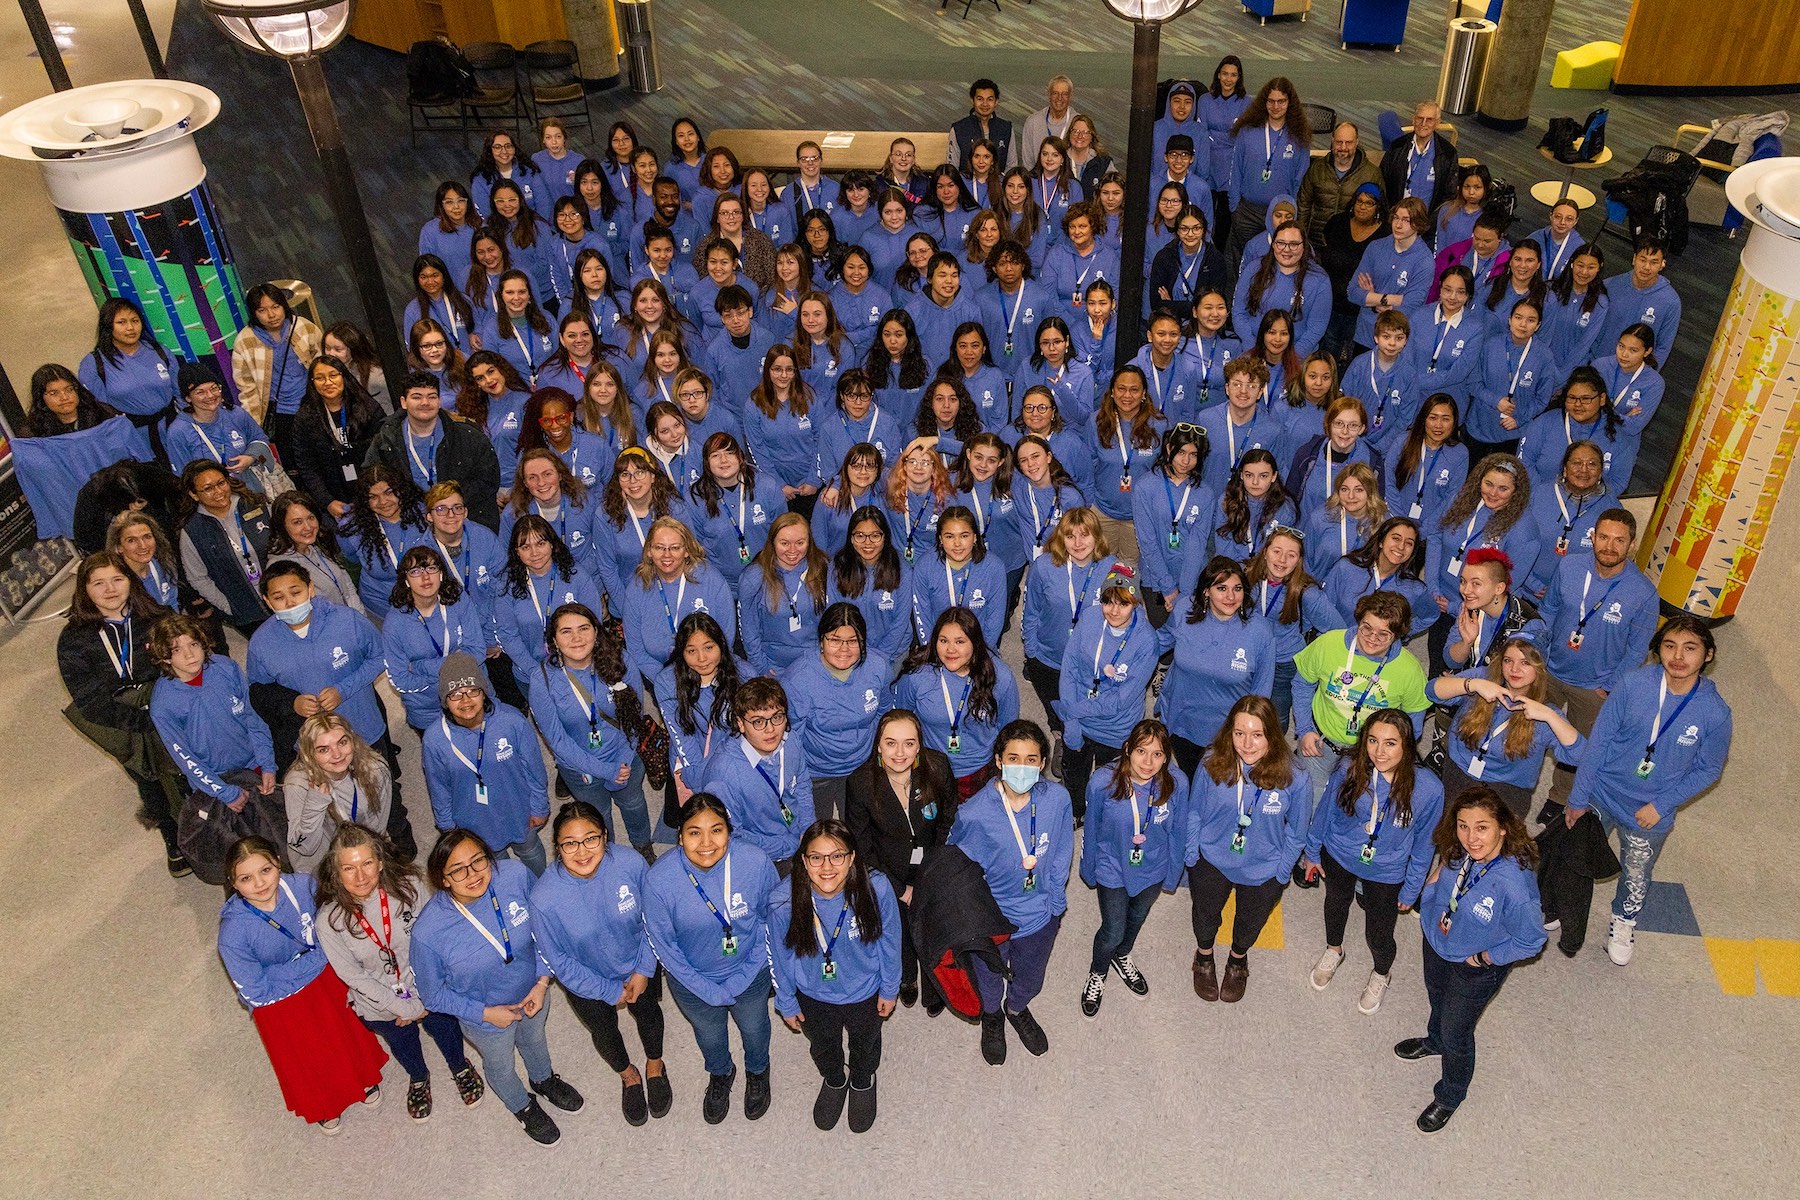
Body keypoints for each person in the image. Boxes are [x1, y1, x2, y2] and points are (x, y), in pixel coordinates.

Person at [1565, 614, 1732, 966]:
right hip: (1601, 793)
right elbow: (1599, 742)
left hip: (1649, 813)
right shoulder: (1633, 685)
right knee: (1574, 857)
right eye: (1669, 646)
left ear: (1708, 654)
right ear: (1658, 650)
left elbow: (1709, 769)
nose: (1678, 656)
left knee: (1636, 874)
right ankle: (1560, 904)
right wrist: (1578, 797)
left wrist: (1662, 804)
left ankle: (1624, 920)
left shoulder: (1715, 713)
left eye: (1690, 648)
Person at [411, 827, 584, 1144]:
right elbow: (432, 995)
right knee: (501, 1065)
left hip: (533, 991)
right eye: (458, 870)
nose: (473, 874)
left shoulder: (515, 876)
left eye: (478, 861)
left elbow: (545, 931)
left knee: (535, 1040)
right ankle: (521, 1105)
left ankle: (543, 1079)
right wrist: (486, 1014)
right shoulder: (428, 932)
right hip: (485, 1017)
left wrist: (542, 982)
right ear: (443, 879)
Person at [217, 835, 388, 1134]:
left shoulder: (304, 886)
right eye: (246, 878)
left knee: (343, 1030)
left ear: (278, 863)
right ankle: (324, 1104)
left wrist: (284, 970)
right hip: (279, 1001)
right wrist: (314, 962)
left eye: (265, 870)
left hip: (318, 978)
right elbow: (257, 992)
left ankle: (362, 1076)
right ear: (233, 883)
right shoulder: (232, 934)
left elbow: (332, 933)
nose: (259, 883)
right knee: (307, 1054)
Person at [315, 823, 485, 1123]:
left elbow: (435, 942)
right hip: (379, 1001)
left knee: (444, 1027)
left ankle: (459, 1066)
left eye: (367, 863)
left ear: (380, 862)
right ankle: (418, 1077)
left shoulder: (410, 886)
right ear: (336, 873)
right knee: (401, 1041)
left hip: (428, 985)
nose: (361, 876)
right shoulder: (329, 921)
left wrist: (423, 999)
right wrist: (401, 1007)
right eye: (349, 868)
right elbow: (353, 976)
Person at [1399, 787, 1547, 1133]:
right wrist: (1430, 893)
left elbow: (1531, 941)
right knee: (1437, 997)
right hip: (1438, 941)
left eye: (1482, 827)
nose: (1470, 837)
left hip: (1474, 966)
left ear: (1503, 828)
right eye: (1463, 825)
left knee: (1458, 1032)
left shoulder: (1515, 885)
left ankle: (1450, 1094)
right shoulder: (1458, 847)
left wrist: (1484, 958)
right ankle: (1434, 1040)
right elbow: (1445, 868)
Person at [529, 800, 673, 1126]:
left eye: (591, 839)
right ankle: (628, 1074)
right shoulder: (543, 898)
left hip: (638, 963)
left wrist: (643, 969)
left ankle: (654, 1065)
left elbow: (654, 919)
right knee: (604, 1030)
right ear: (557, 847)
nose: (582, 852)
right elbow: (557, 959)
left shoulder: (631, 864)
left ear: (605, 836)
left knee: (649, 1013)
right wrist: (607, 990)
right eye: (570, 843)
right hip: (586, 981)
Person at [643, 793, 782, 1123]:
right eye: (694, 832)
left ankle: (757, 1071)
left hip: (750, 971)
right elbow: (664, 947)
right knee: (709, 1035)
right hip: (692, 981)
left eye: (716, 830)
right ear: (680, 837)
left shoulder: (755, 863)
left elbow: (772, 920)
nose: (706, 843)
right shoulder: (659, 880)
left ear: (729, 832)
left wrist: (742, 977)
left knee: (755, 1027)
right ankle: (721, 1072)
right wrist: (705, 989)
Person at [1301, 707, 1444, 1015]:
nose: (1379, 752)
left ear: (1407, 745)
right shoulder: (1349, 768)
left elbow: (1424, 846)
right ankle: (1334, 950)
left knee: (1379, 933)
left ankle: (1381, 973)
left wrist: (1412, 888)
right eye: (1373, 741)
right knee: (1335, 904)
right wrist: (1312, 851)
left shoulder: (1429, 789)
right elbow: (1325, 811)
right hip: (1339, 853)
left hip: (1387, 869)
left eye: (1390, 743)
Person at [947, 720, 1073, 1062]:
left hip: (1040, 915)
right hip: (991, 919)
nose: (1022, 767)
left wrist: (1055, 902)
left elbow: (1062, 849)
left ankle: (1016, 1009)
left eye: (1031, 759)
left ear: (1043, 763)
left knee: (1031, 978)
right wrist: (971, 915)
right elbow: (955, 863)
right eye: (1013, 758)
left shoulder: (1057, 800)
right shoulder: (974, 813)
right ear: (999, 761)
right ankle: (993, 1016)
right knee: (988, 977)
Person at [246, 563, 403, 831]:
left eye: (295, 592)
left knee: (384, 792)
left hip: (363, 728)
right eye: (279, 597)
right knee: (333, 805)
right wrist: (292, 704)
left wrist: (344, 689)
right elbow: (260, 690)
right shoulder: (261, 643)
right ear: (267, 601)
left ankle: (400, 837)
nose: (289, 603)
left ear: (311, 589)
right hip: (313, 744)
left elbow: (380, 656)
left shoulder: (348, 620)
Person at [58, 552, 185, 874]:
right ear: (84, 589)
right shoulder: (73, 640)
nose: (110, 589)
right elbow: (89, 699)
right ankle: (170, 832)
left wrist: (165, 712)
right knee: (148, 776)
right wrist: (141, 722)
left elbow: (185, 667)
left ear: (131, 580)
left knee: (187, 771)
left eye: (117, 579)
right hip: (121, 722)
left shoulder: (160, 619)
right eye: (98, 583)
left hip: (169, 710)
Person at [771, 819, 901, 1132]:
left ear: (852, 857)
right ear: (804, 861)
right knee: (823, 1044)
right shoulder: (783, 900)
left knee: (865, 1042)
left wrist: (890, 987)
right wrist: (786, 1000)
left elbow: (890, 939)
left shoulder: (876, 887)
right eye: (816, 857)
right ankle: (834, 1078)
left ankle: (862, 1079)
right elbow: (780, 955)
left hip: (865, 990)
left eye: (837, 856)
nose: (827, 867)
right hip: (812, 994)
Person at [1535, 507, 1658, 819]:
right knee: (1529, 729)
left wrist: (1609, 686)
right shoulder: (1570, 566)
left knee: (1579, 748)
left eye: (1619, 540)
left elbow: (1637, 650)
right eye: (1603, 537)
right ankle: (1517, 779)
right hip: (1550, 669)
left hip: (1594, 687)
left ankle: (1558, 799)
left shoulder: (1643, 593)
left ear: (1632, 545)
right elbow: (1548, 610)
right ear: (1593, 537)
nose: (1609, 546)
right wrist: (1536, 651)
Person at [1187, 696, 1311, 1002]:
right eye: (1239, 733)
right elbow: (1194, 812)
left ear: (1273, 735)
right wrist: (1192, 855)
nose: (1247, 744)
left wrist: (1282, 872)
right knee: (1205, 915)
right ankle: (1204, 956)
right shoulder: (1211, 761)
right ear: (1229, 732)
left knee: (1249, 922)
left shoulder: (1296, 776)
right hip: (1212, 858)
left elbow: (1297, 832)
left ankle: (1237, 960)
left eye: (1257, 734)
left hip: (1264, 867)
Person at [843, 709, 957, 1013]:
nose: (900, 753)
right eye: (891, 743)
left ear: (919, 745)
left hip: (931, 864)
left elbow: (949, 818)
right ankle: (907, 978)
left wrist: (935, 869)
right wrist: (900, 889)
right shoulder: (861, 783)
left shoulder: (937, 767)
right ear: (878, 746)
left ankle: (934, 984)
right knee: (900, 929)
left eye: (909, 743)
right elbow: (860, 847)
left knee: (933, 926)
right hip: (887, 870)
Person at [1077, 719, 1188, 1017]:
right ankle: (1098, 971)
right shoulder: (1103, 781)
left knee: (1137, 917)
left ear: (1166, 757)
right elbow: (1091, 829)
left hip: (1154, 868)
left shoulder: (1176, 783)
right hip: (1112, 867)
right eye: (1141, 751)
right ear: (1127, 749)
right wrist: (1089, 869)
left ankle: (1122, 956)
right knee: (1113, 931)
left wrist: (1173, 875)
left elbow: (1178, 833)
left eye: (1157, 754)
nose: (1148, 762)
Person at [530, 603, 654, 859]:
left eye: (584, 628)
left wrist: (622, 762)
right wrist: (606, 771)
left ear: (596, 632)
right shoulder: (542, 680)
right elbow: (557, 740)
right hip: (580, 768)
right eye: (566, 631)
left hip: (625, 756)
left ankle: (643, 847)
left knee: (634, 804)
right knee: (598, 816)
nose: (576, 638)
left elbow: (635, 715)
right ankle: (608, 857)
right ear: (554, 639)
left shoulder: (620, 660)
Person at [1292, 591, 1431, 817]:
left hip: (1370, 755)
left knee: (1353, 813)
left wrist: (1388, 756)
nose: (1372, 638)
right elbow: (1302, 684)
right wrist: (1304, 729)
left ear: (1397, 635)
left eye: (1384, 634)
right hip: (1319, 743)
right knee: (1309, 808)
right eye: (1366, 628)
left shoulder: (1410, 670)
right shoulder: (1328, 643)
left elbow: (1413, 722)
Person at [422, 653, 550, 874]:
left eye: (473, 690)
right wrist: (447, 826)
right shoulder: (434, 739)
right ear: (445, 701)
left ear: (484, 692)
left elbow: (534, 769)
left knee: (530, 850)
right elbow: (438, 787)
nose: (465, 700)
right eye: (455, 694)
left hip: (518, 809)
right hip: (473, 821)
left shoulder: (512, 721)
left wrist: (539, 806)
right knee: (494, 863)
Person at [1427, 636, 1583, 817]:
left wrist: (1550, 716)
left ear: (1539, 669)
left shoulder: (1544, 713)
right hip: (1458, 772)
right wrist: (1472, 685)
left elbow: (1579, 757)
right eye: (1508, 660)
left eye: (1525, 663)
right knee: (1446, 827)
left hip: (1505, 789)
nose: (1514, 669)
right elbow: (1432, 691)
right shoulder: (1483, 678)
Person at [1156, 555, 1276, 775]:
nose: (1230, 596)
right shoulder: (1184, 610)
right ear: (1206, 591)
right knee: (1188, 779)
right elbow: (1154, 644)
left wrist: (1249, 735)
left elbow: (1261, 693)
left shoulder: (1260, 631)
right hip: (1181, 723)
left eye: (1237, 588)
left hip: (1228, 733)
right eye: (1221, 588)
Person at [1058, 566, 1159, 824]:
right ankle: (1077, 812)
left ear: (1135, 603)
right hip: (1078, 718)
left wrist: (1071, 711)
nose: (1114, 611)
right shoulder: (1090, 618)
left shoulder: (1147, 641)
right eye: (1108, 602)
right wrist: (1071, 723)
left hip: (1115, 728)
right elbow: (1069, 667)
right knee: (1074, 773)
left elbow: (1120, 700)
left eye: (1123, 604)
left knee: (1109, 784)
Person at [783, 604, 894, 822]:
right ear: (821, 641)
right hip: (816, 772)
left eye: (853, 641)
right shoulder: (798, 679)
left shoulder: (878, 667)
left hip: (862, 767)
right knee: (819, 835)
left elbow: (885, 713)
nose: (844, 649)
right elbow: (792, 737)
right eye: (835, 640)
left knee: (861, 833)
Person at [895, 607, 1021, 793]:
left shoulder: (1000, 677)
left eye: (960, 641)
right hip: (932, 766)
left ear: (975, 643)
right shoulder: (917, 676)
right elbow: (900, 721)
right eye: (943, 641)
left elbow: (1009, 730)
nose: (950, 649)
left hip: (981, 768)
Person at [362, 372, 501, 529]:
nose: (425, 402)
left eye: (432, 396)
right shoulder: (385, 442)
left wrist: (447, 505)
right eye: (417, 397)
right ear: (403, 402)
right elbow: (370, 482)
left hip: (462, 521)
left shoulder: (469, 437)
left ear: (439, 401)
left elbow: (487, 480)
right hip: (411, 524)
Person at [1246, 527, 1344, 727]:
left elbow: (1338, 631)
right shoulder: (1246, 577)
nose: (1282, 560)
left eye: (1291, 555)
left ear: (1299, 560)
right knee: (1244, 707)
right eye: (1277, 551)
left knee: (1275, 717)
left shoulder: (1307, 592)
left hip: (1283, 663)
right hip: (1247, 655)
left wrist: (1315, 657)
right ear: (1265, 552)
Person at [283, 713, 395, 873]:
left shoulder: (375, 769)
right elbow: (304, 847)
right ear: (310, 754)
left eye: (342, 742)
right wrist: (315, 803)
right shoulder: (297, 784)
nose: (337, 755)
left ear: (352, 740)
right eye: (324, 749)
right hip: (321, 864)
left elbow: (378, 826)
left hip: (361, 852)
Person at [79, 297, 181, 458]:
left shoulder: (159, 351)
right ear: (108, 326)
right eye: (121, 322)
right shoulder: (93, 364)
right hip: (132, 439)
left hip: (173, 429)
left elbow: (180, 392)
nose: (130, 328)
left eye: (135, 321)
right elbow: (98, 410)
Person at [177, 461, 272, 633]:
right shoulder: (192, 531)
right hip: (247, 614)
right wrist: (229, 607)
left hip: (283, 595)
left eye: (221, 483)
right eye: (208, 488)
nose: (219, 491)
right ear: (194, 494)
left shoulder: (255, 504)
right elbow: (197, 578)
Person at [1226, 78, 1311, 268]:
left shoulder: (1299, 136)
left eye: (1281, 101)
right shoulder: (1247, 131)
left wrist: (1290, 212)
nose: (1275, 106)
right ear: (1264, 102)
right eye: (1271, 101)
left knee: (1277, 263)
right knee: (1244, 263)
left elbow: (1300, 179)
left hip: (1281, 215)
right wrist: (1234, 207)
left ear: (1290, 103)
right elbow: (1235, 170)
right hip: (1247, 213)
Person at [231, 283, 323, 456]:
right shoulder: (244, 341)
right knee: (294, 459)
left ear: (284, 305)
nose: (271, 315)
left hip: (313, 404)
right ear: (254, 313)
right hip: (281, 414)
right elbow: (247, 389)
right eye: (262, 310)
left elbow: (323, 363)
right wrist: (254, 425)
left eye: (275, 307)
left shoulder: (303, 326)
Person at [290, 355, 387, 519]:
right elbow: (307, 466)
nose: (327, 382)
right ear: (312, 382)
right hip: (334, 498)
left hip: (374, 491)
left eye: (333, 375)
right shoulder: (305, 418)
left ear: (344, 376)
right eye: (320, 378)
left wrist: (379, 493)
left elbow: (384, 451)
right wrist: (327, 501)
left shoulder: (368, 407)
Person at [1519, 440, 1615, 597]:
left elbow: (1611, 563)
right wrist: (1532, 584)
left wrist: (1572, 592)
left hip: (1574, 598)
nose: (1584, 469)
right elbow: (1514, 543)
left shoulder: (1611, 510)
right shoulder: (1539, 494)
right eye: (1577, 463)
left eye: (1592, 464)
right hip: (1525, 590)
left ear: (1600, 472)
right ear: (1565, 468)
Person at [1323, 516, 1430, 639]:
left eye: (1409, 543)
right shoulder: (1346, 568)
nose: (1401, 547)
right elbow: (1323, 607)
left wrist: (1398, 634)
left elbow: (1429, 616)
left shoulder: (1415, 589)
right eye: (1396, 538)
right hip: (1337, 642)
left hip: (1377, 649)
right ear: (1381, 541)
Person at [164, 361, 268, 477]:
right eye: (200, 392)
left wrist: (251, 458)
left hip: (250, 485)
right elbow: (183, 476)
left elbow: (263, 442)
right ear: (188, 398)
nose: (210, 395)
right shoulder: (178, 432)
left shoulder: (236, 414)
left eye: (214, 388)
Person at [265, 491, 363, 615]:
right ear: (282, 526)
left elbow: (347, 585)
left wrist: (358, 617)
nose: (308, 527)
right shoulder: (280, 568)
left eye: (311, 518)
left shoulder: (318, 547)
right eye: (297, 522)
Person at [1595, 237, 1681, 366]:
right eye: (1642, 260)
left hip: (1634, 373)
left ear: (1662, 265)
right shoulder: (1609, 287)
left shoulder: (1671, 302)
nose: (1646, 267)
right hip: (1598, 365)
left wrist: (1645, 375)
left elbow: (1663, 347)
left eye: (1654, 262)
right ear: (1634, 259)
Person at [1298, 122, 1383, 250]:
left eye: (1348, 142)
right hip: (1316, 243)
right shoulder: (1316, 168)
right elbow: (1303, 205)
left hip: (1351, 247)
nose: (1343, 147)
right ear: (1332, 141)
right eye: (1339, 142)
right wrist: (1301, 238)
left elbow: (1380, 212)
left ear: (1357, 142)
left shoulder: (1372, 174)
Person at [1208, 447, 1296, 562]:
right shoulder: (1227, 501)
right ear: (1241, 475)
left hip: (1267, 567)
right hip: (1231, 567)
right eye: (1249, 475)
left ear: (1274, 476)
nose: (1255, 482)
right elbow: (1223, 548)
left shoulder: (1285, 507)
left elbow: (1282, 551)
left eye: (1263, 476)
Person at [1379, 101, 1458, 215]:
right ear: (1413, 119)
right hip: (1396, 216)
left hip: (1427, 219)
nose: (1423, 123)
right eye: (1420, 118)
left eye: (1429, 120)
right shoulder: (1397, 146)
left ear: (1437, 123)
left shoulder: (1448, 153)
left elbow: (1449, 195)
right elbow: (1382, 180)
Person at [950, 77, 1015, 170]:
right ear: (972, 100)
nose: (985, 104)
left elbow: (1011, 166)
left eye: (990, 99)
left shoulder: (1006, 129)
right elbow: (952, 169)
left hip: (998, 179)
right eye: (980, 99)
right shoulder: (958, 129)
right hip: (967, 179)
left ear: (996, 102)